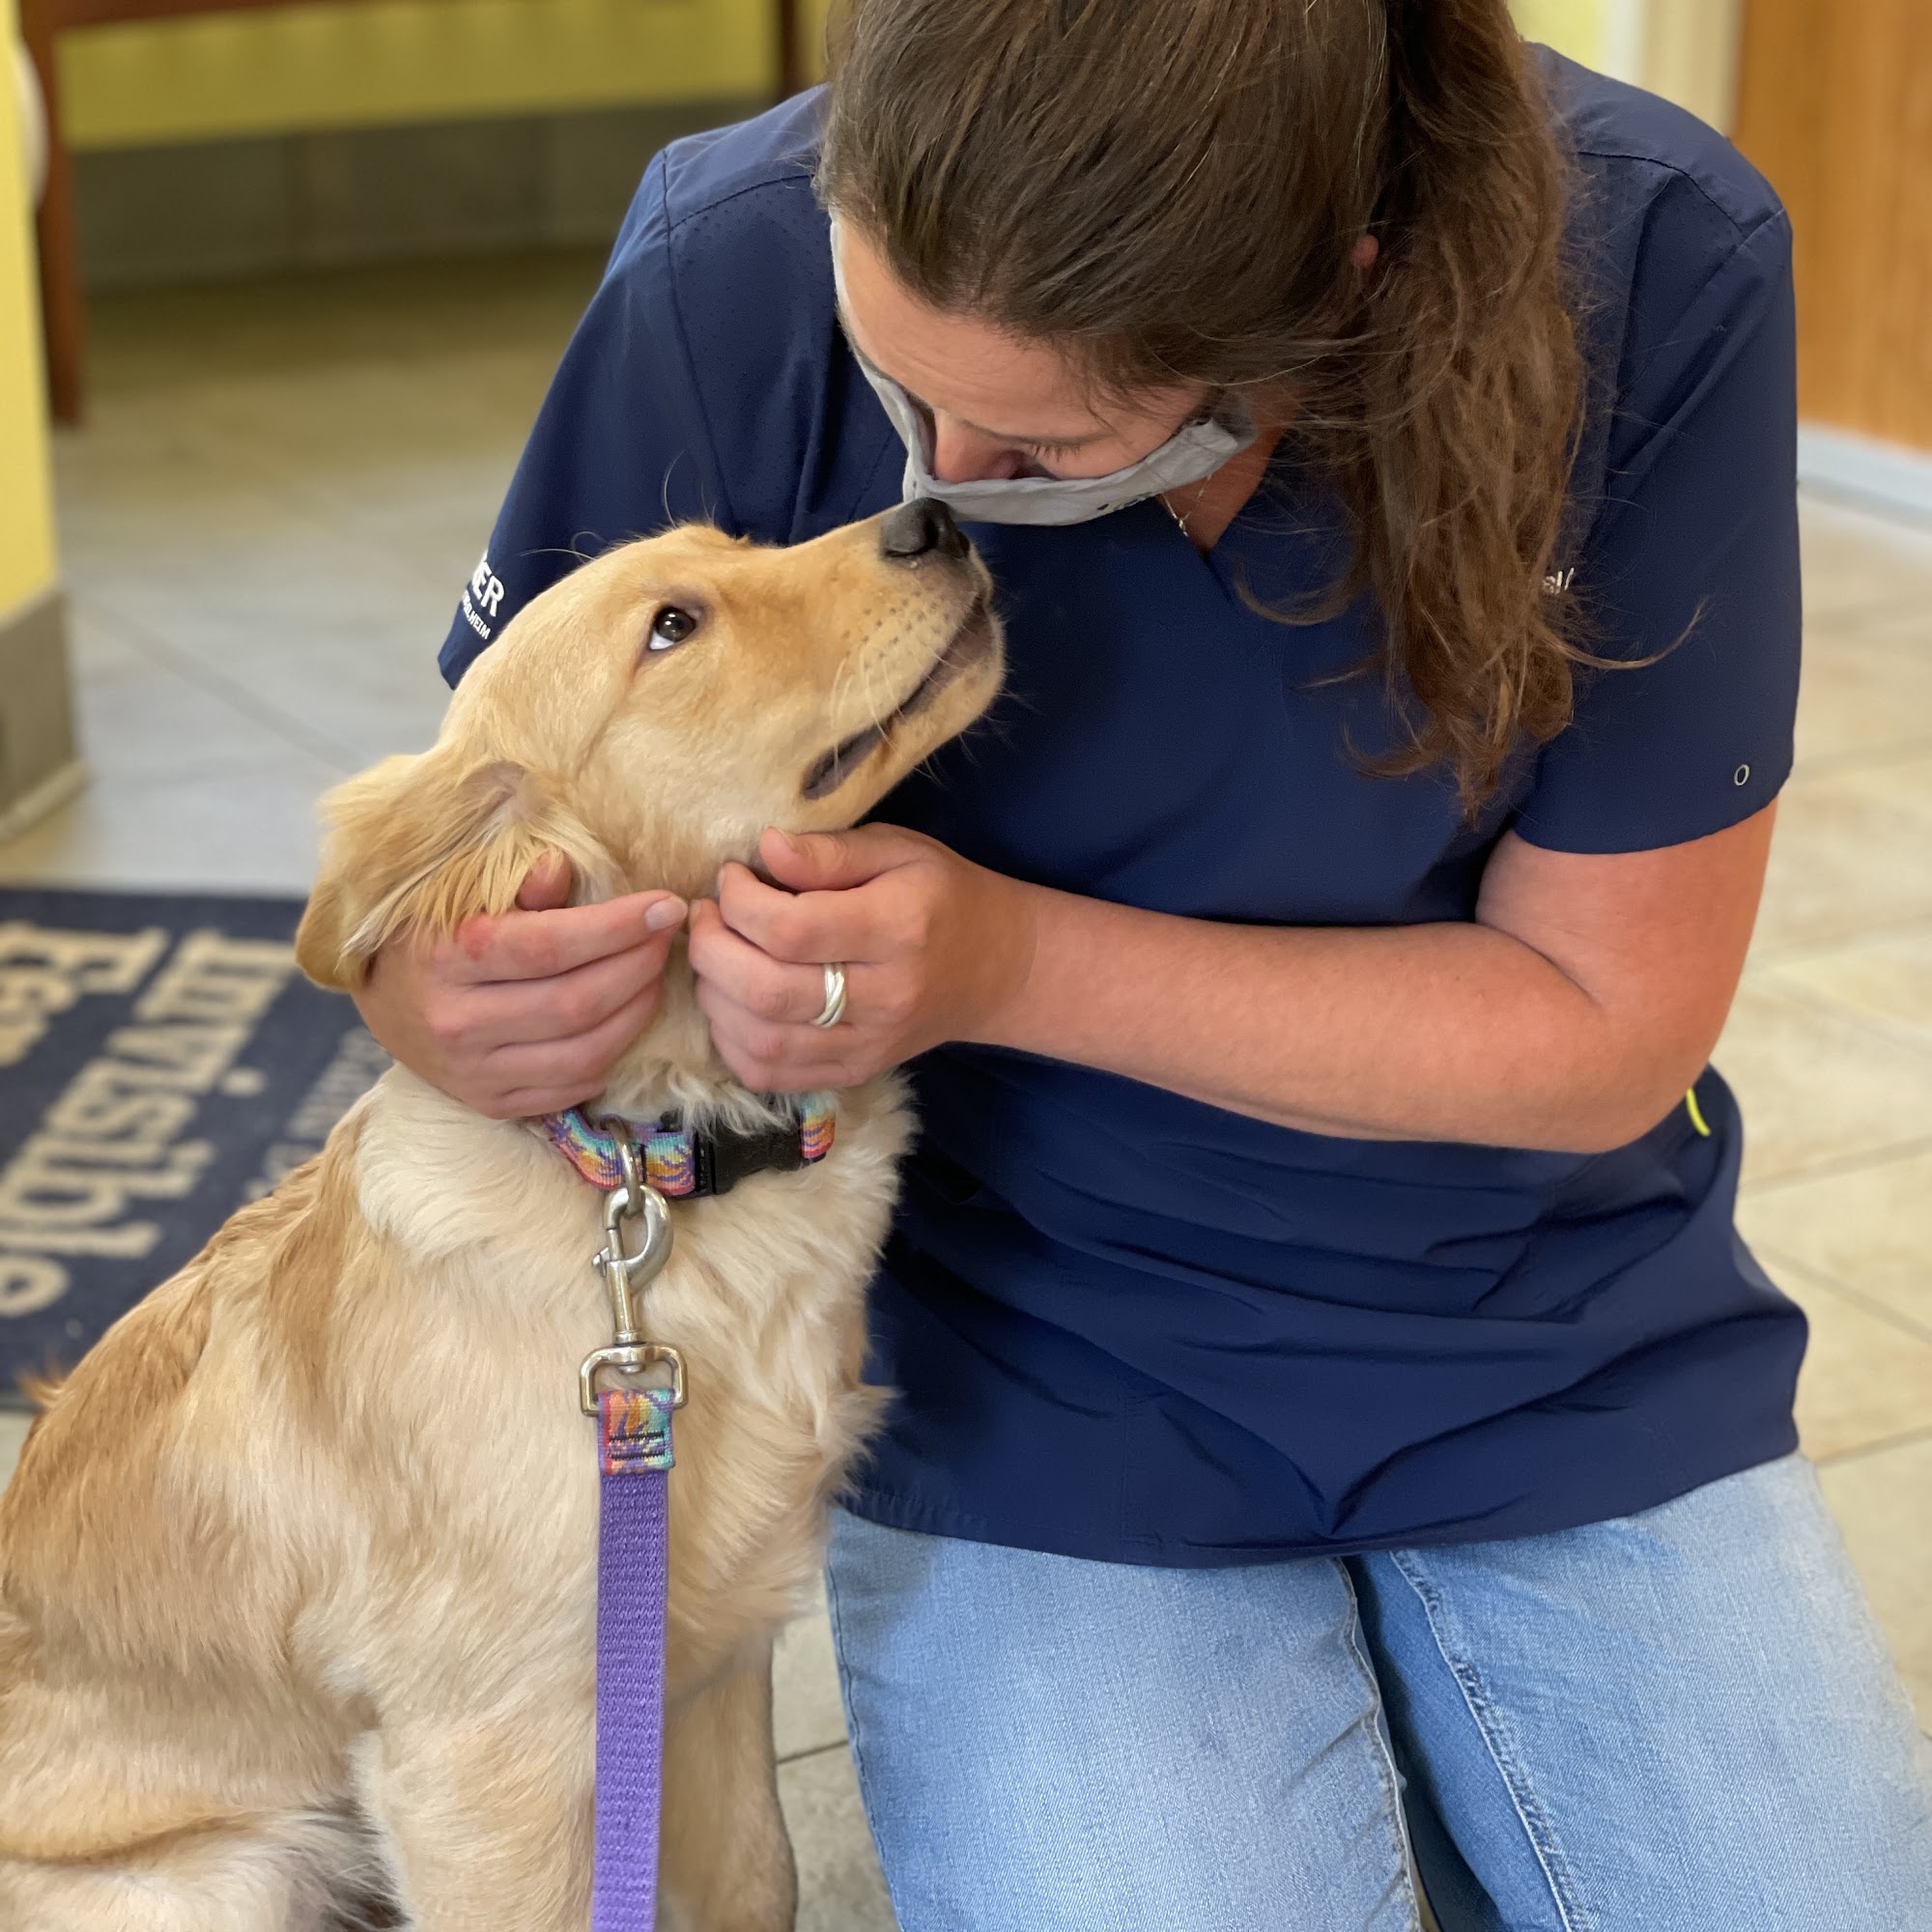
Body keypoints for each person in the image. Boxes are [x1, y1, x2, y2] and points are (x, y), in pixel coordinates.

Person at [355, 1, 1932, 1923]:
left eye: (1038, 449)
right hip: (1026, 1353)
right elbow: (466, 867)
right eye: (891, 375)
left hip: (1540, 1318)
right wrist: (449, 999)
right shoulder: (729, 258)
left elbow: (1605, 1024)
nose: (925, 483)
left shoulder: (1660, 261)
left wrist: (998, 959)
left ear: (1334, 307)